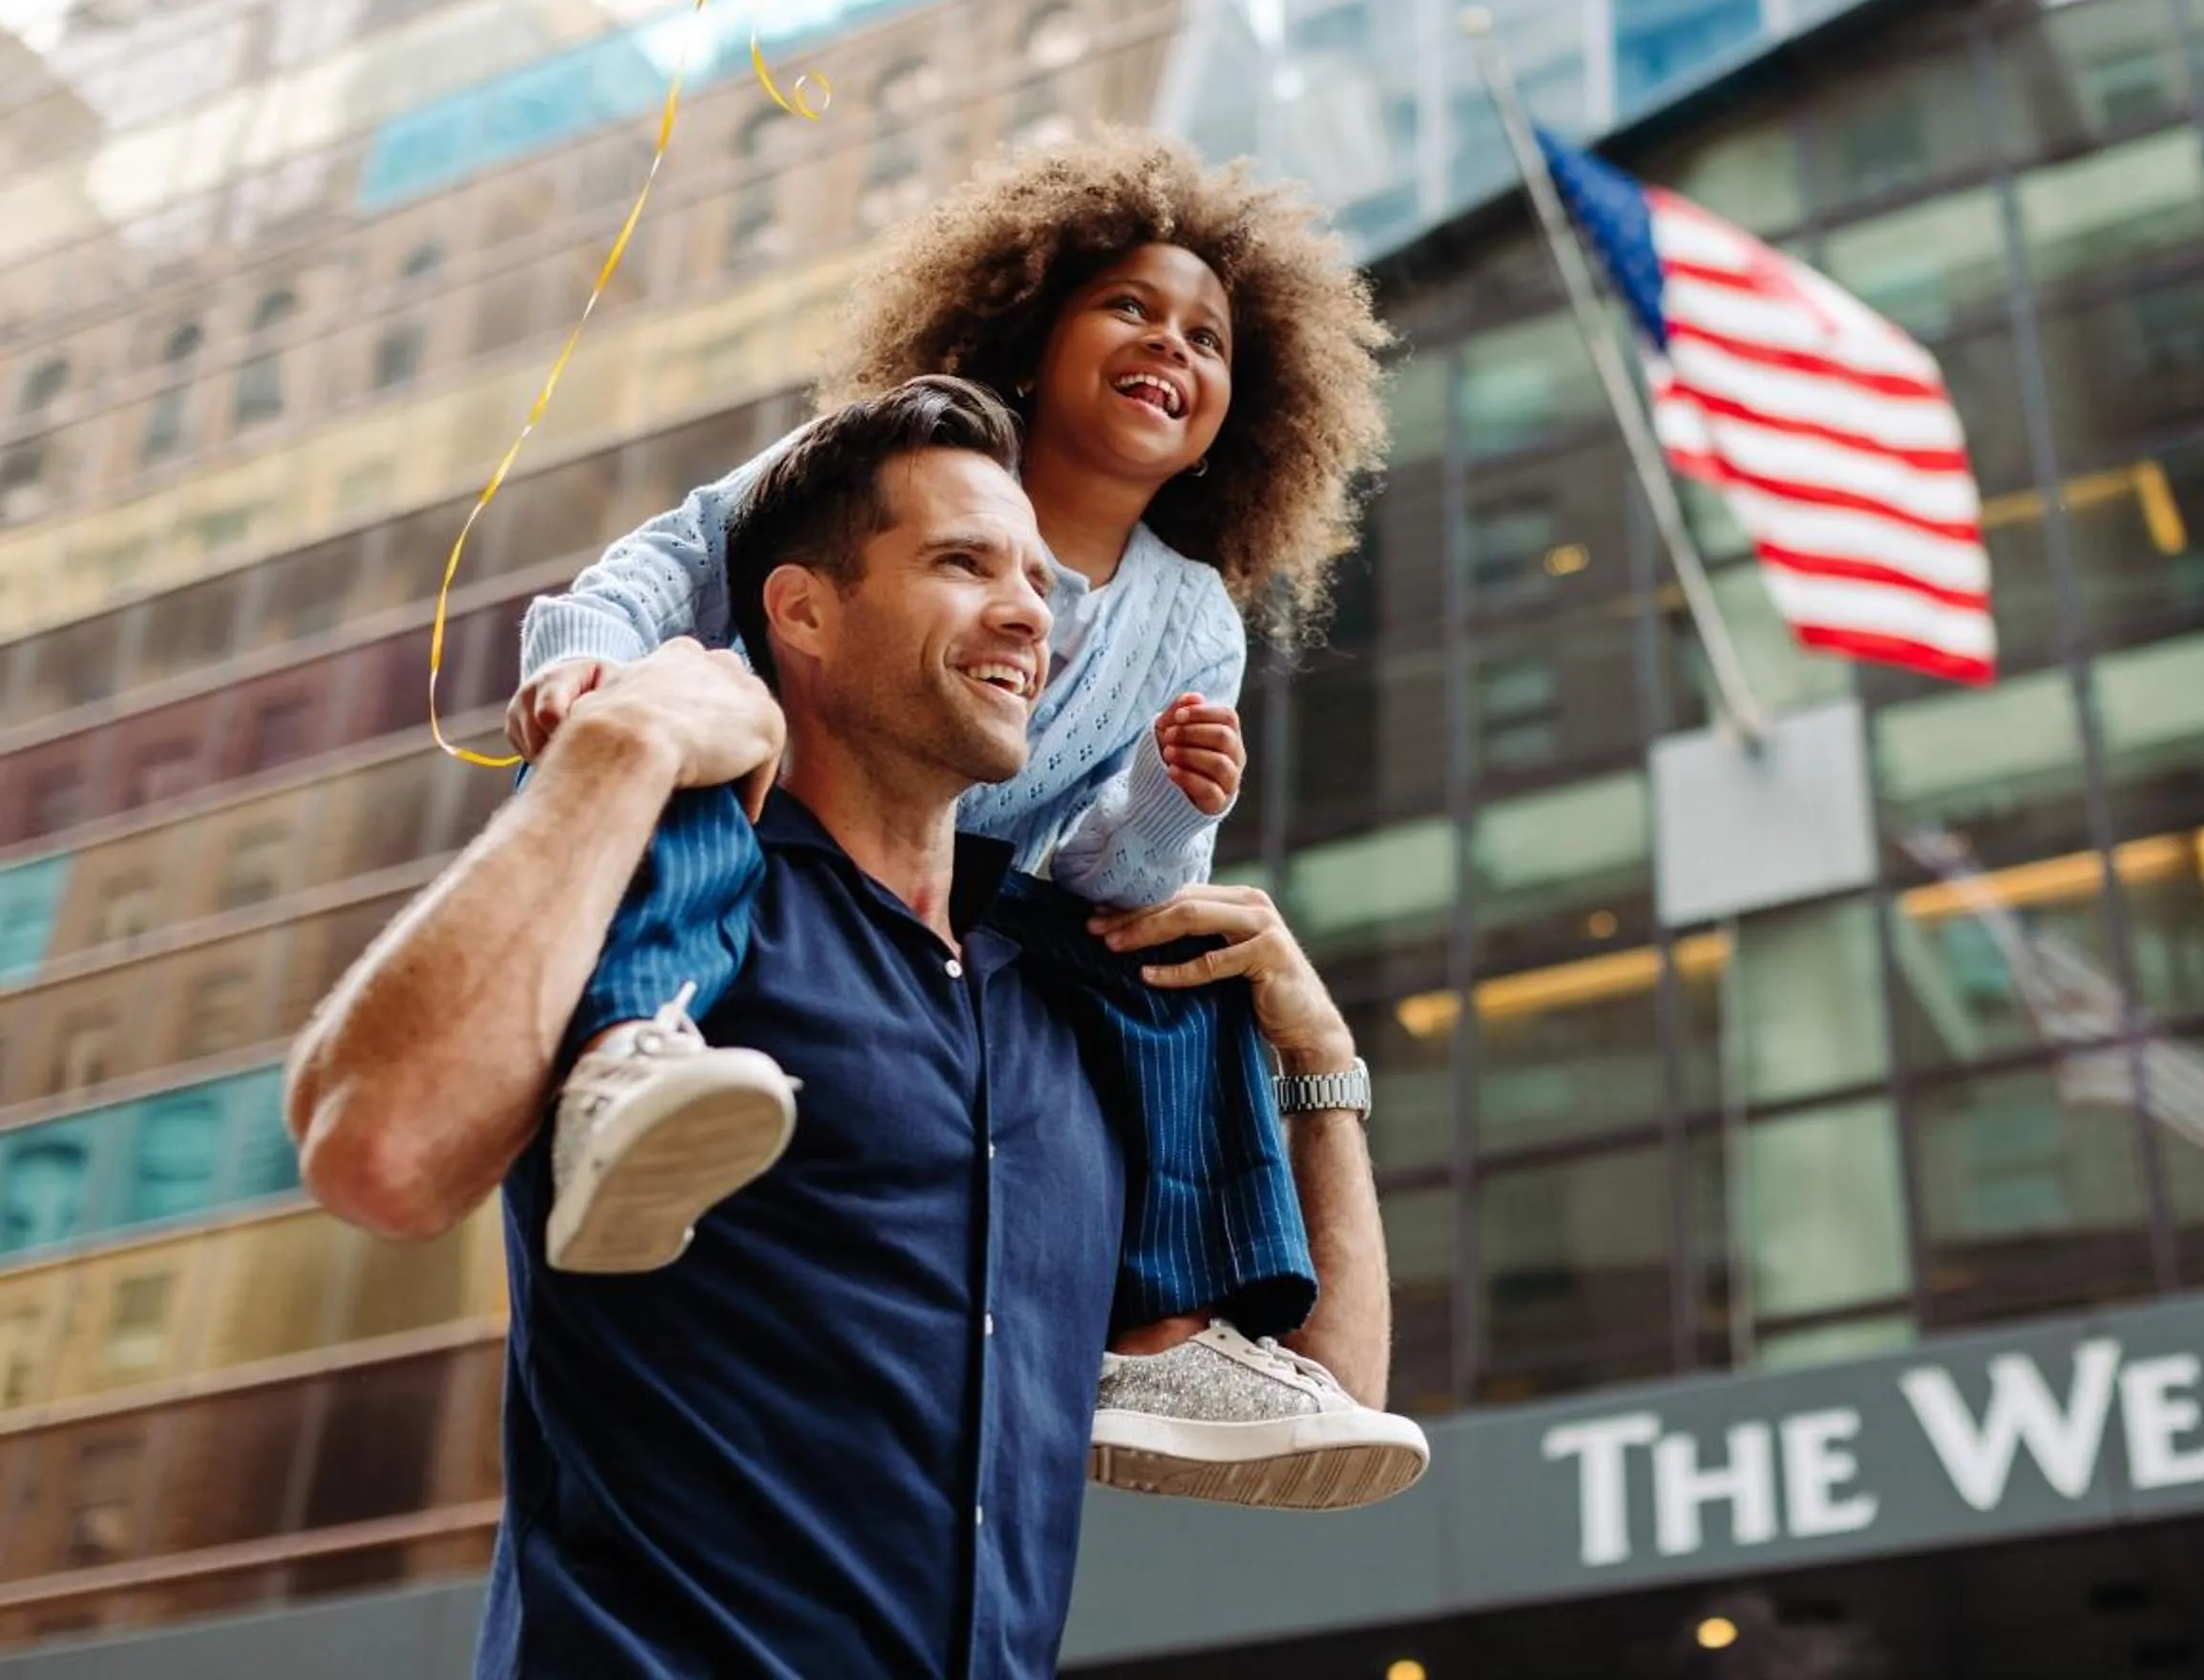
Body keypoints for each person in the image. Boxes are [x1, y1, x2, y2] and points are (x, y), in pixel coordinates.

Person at [285, 383, 1406, 1677]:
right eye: (963, 563)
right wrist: (622, 746)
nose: (1029, 611)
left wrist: (1320, 1067)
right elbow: (377, 1148)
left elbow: (1336, 1395)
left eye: (1038, 581)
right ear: (801, 609)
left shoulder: (1069, 991)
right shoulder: (676, 898)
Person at [498, 130, 1401, 1507]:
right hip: (771, 781)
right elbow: (681, 558)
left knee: (1188, 945)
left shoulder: (1192, 615)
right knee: (702, 731)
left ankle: (1160, 1337)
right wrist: (589, 668)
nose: (1172, 345)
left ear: (1245, 402)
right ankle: (638, 1057)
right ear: (1032, 334)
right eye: (1130, 307)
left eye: (1209, 336)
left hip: (969, 881)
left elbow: (1114, 877)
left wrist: (1171, 798)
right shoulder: (893, 456)